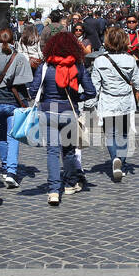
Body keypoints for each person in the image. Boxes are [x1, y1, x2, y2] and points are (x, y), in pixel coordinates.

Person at [31, 31, 96, 205]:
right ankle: (69, 184)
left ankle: (53, 191)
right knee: (68, 151)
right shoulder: (78, 66)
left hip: (48, 111)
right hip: (69, 112)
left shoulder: (46, 66)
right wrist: (77, 98)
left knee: (52, 151)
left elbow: (33, 90)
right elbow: (91, 92)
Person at [91, 25, 139, 181]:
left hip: (107, 102)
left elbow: (95, 86)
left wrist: (90, 104)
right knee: (123, 134)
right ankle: (121, 163)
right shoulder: (130, 60)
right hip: (125, 102)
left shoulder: (99, 61)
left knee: (110, 135)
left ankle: (114, 158)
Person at [0, 28, 33, 188]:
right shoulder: (19, 57)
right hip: (13, 102)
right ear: (14, 40)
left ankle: (5, 166)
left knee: (1, 135)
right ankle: (11, 172)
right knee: (12, 137)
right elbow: (25, 81)